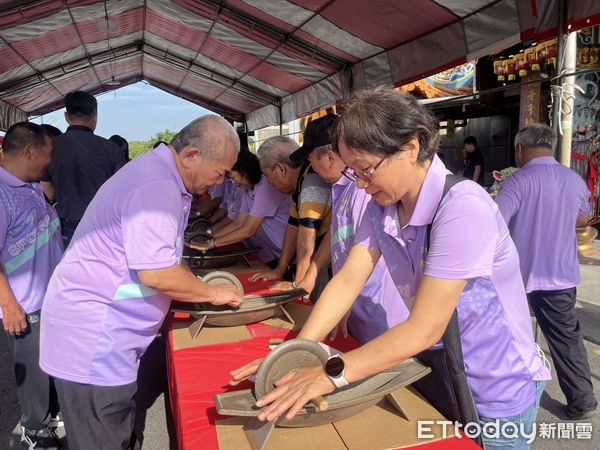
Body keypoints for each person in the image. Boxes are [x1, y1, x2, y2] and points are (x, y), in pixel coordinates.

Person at [231, 89, 550, 449]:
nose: (362, 184)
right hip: (442, 375)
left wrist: (328, 373)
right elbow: (349, 277)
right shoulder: (382, 207)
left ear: (411, 147)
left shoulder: (462, 208)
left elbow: (425, 328)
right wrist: (298, 352)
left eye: (367, 170)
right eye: (354, 173)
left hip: (496, 388)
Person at [39, 115, 244, 450]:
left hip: (107, 336)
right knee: (102, 438)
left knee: (118, 430)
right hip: (94, 342)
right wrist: (212, 292)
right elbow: (157, 273)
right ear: (192, 156)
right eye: (219, 172)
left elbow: (161, 258)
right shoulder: (156, 185)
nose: (219, 183)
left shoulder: (165, 178)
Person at [496, 123, 598, 420]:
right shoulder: (574, 180)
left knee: (508, 335)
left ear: (520, 149)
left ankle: (509, 399)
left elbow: (496, 223)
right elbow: (582, 222)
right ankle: (583, 401)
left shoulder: (517, 182)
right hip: (560, 277)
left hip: (518, 276)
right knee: (566, 339)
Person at [291, 114, 409, 343]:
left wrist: (344, 299)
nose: (311, 168)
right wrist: (313, 272)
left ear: (329, 157)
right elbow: (337, 236)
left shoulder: (364, 192)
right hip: (353, 305)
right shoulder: (341, 188)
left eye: (312, 161)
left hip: (378, 312)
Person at [0, 122, 63, 450]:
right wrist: (9, 305)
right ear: (29, 152)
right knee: (32, 369)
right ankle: (35, 431)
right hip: (24, 302)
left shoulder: (31, 186)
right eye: (48, 153)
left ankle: (50, 415)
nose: (50, 161)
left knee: (50, 359)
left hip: (49, 295)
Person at [249, 135, 332, 299]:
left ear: (281, 169)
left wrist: (298, 284)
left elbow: (307, 235)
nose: (269, 183)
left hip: (328, 263)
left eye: (267, 176)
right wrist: (281, 269)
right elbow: (294, 226)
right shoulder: (300, 183)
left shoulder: (312, 180)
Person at [41, 91, 125, 247]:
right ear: (95, 117)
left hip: (66, 223)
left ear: (66, 116)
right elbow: (122, 191)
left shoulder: (50, 148)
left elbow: (49, 192)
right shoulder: (111, 149)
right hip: (103, 223)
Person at [197, 146, 292, 268]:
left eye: (232, 177)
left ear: (244, 171)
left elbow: (249, 230)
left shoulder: (265, 187)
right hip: (277, 250)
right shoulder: (249, 190)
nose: (233, 182)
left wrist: (211, 243)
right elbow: (238, 223)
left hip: (290, 252)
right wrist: (208, 237)